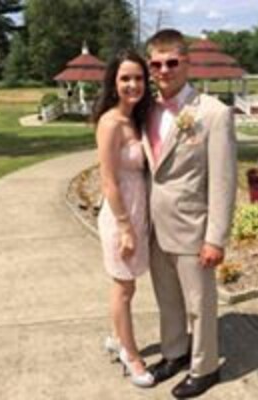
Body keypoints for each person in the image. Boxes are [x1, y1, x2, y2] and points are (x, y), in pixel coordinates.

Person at [142, 29, 237, 398]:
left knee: (199, 306)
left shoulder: (213, 113)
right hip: (154, 227)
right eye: (156, 64)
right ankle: (174, 353)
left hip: (193, 228)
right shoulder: (146, 110)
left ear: (187, 63)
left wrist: (216, 238)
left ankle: (205, 367)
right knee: (167, 301)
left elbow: (223, 180)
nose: (164, 70)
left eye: (172, 62)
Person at [94, 49, 154, 388]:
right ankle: (130, 355)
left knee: (127, 285)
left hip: (137, 211)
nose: (133, 84)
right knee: (124, 286)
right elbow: (108, 181)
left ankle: (118, 339)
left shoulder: (135, 119)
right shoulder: (110, 123)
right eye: (125, 78)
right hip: (120, 217)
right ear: (113, 82)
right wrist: (125, 227)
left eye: (138, 78)